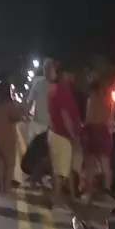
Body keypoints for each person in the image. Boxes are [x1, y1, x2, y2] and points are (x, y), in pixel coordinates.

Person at [47, 64, 82, 206]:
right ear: (63, 76)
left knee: (64, 169)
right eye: (69, 75)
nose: (72, 77)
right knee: (60, 172)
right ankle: (57, 200)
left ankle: (70, 197)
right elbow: (65, 116)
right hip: (62, 136)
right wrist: (73, 136)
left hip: (57, 134)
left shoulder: (55, 91)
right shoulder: (61, 94)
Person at [83, 79, 113, 200]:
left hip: (94, 132)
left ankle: (89, 193)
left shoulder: (92, 101)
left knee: (90, 166)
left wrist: (84, 129)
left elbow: (90, 118)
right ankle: (107, 192)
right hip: (104, 132)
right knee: (106, 166)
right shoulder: (107, 102)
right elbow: (110, 120)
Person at [27, 59, 56, 141]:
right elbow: (30, 101)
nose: (46, 71)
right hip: (37, 124)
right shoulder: (38, 83)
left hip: (51, 127)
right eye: (45, 69)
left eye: (49, 69)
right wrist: (26, 113)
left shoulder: (57, 86)